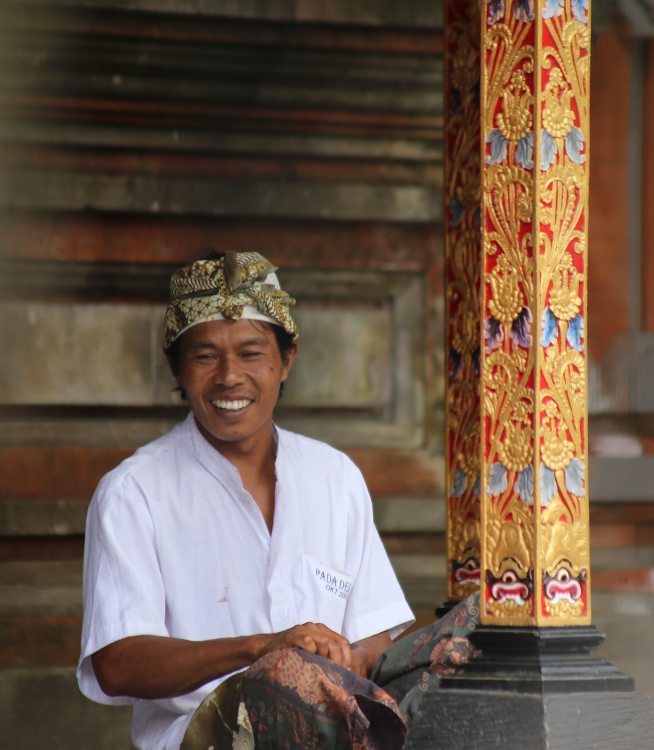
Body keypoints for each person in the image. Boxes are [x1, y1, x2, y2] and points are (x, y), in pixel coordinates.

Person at [78, 250, 480, 750]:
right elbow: (116, 665)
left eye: (251, 353)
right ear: (176, 369)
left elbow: (377, 636)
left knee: (471, 632)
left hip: (338, 722)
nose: (229, 376)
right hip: (211, 738)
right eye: (205, 356)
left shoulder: (334, 475)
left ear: (286, 361)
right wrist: (264, 650)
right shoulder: (133, 491)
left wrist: (339, 664)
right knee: (282, 676)